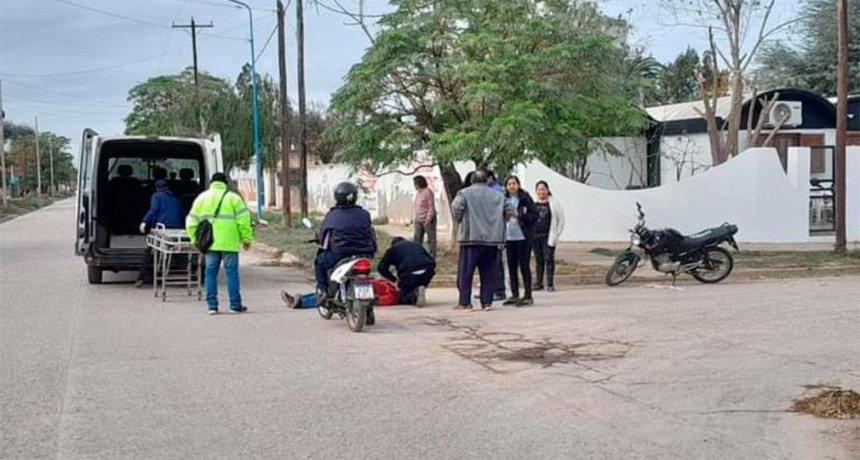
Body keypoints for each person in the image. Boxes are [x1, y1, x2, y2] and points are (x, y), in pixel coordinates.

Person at [186, 172, 253, 315]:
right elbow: (244, 221)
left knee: (210, 274)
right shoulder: (234, 198)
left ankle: (212, 307)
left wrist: (193, 239)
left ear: (211, 182)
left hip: (210, 244)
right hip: (229, 243)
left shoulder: (202, 198)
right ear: (226, 183)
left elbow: (191, 221)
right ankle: (235, 305)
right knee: (232, 273)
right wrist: (246, 239)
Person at [315, 182, 378, 323]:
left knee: (319, 263)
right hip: (365, 254)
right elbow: (371, 233)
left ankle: (324, 292)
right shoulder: (364, 214)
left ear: (337, 197)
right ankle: (368, 310)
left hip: (340, 254)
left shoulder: (332, 215)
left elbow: (323, 235)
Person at [451, 169, 512, 311]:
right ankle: (487, 302)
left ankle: (465, 302)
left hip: (470, 239)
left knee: (466, 273)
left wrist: (461, 220)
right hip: (492, 240)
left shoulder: (464, 194)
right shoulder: (499, 195)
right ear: (487, 181)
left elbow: (456, 209)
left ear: (472, 180)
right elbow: (510, 210)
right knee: (489, 273)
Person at [135, 180, 186, 287]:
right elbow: (182, 213)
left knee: (150, 251)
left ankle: (141, 278)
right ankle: (184, 274)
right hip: (176, 229)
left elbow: (154, 209)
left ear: (157, 188)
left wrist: (145, 221)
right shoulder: (175, 198)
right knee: (178, 251)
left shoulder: (157, 196)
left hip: (163, 228)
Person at [503, 175, 538, 306]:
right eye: (509, 184)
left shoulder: (525, 198)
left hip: (523, 237)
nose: (511, 186)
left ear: (518, 185)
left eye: (514, 183)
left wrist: (521, 216)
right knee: (512, 266)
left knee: (524, 265)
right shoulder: (504, 198)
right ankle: (514, 294)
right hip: (509, 237)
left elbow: (535, 215)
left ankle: (528, 295)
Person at [377, 237, 436, 307]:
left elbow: (381, 267)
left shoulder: (393, 249)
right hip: (427, 269)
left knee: (402, 297)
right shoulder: (416, 245)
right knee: (419, 281)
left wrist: (394, 279)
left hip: (409, 272)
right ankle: (419, 288)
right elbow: (432, 261)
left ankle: (415, 293)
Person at [533, 180, 565, 292]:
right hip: (535, 236)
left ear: (547, 190)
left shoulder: (554, 203)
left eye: (543, 189)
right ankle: (539, 282)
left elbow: (561, 221)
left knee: (549, 259)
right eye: (539, 189)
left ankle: (550, 283)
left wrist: (556, 235)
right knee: (539, 260)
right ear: (536, 191)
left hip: (548, 235)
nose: (541, 191)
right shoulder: (533, 203)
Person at [412, 175, 437, 259]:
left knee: (431, 240)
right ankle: (417, 256)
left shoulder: (428, 192)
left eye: (415, 183)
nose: (414, 185)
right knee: (417, 239)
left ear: (419, 183)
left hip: (428, 220)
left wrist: (428, 220)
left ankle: (432, 257)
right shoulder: (418, 193)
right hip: (418, 220)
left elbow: (431, 207)